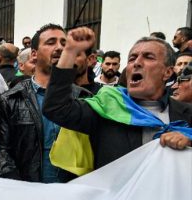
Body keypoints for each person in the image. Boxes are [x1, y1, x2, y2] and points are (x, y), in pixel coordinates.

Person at [43, 28, 192, 167]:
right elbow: (56, 108)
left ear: (167, 72)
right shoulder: (107, 108)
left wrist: (189, 141)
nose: (137, 63)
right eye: (132, 58)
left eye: (148, 57)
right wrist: (70, 52)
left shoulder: (187, 113)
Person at [0, 23, 89, 182]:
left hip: (73, 191)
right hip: (27, 191)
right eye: (51, 42)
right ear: (34, 54)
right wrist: (18, 187)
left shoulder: (83, 97)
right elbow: (3, 152)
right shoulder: (11, 100)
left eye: (64, 43)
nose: (60, 48)